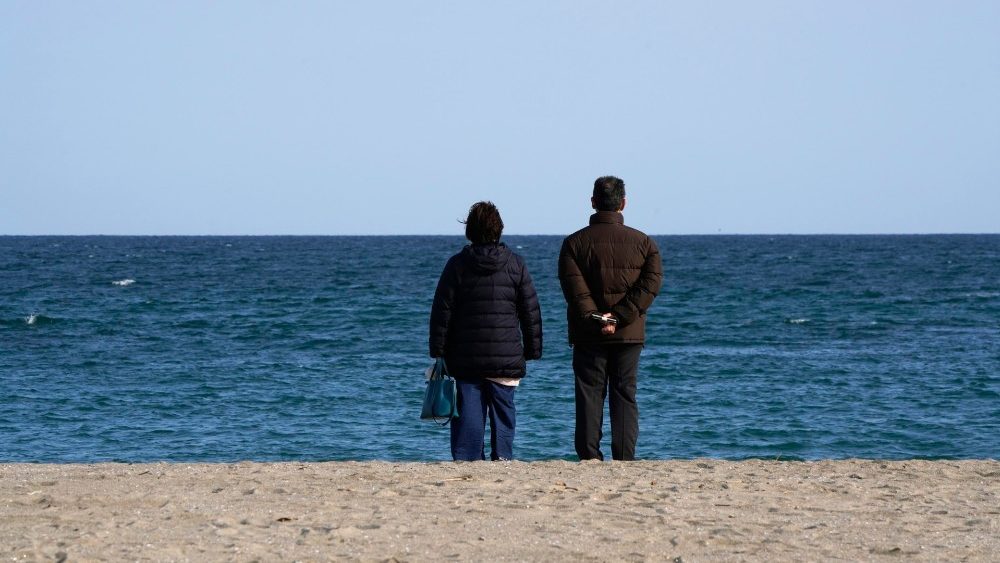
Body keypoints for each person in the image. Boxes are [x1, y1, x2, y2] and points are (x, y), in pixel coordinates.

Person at [558, 176, 662, 461]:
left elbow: (574, 290)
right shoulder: (644, 243)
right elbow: (650, 285)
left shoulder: (573, 244)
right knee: (624, 394)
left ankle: (589, 456)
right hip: (628, 332)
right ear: (623, 203)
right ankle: (624, 457)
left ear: (593, 202)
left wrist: (598, 318)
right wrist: (618, 317)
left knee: (589, 395)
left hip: (588, 332)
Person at [430, 201, 543, 461]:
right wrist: (533, 350)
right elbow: (530, 311)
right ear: (499, 229)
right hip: (506, 356)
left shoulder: (457, 265)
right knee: (504, 413)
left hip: (466, 358)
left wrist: (438, 350)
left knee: (468, 414)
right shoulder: (516, 264)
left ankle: (468, 460)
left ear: (470, 230)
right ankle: (503, 459)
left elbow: (441, 312)